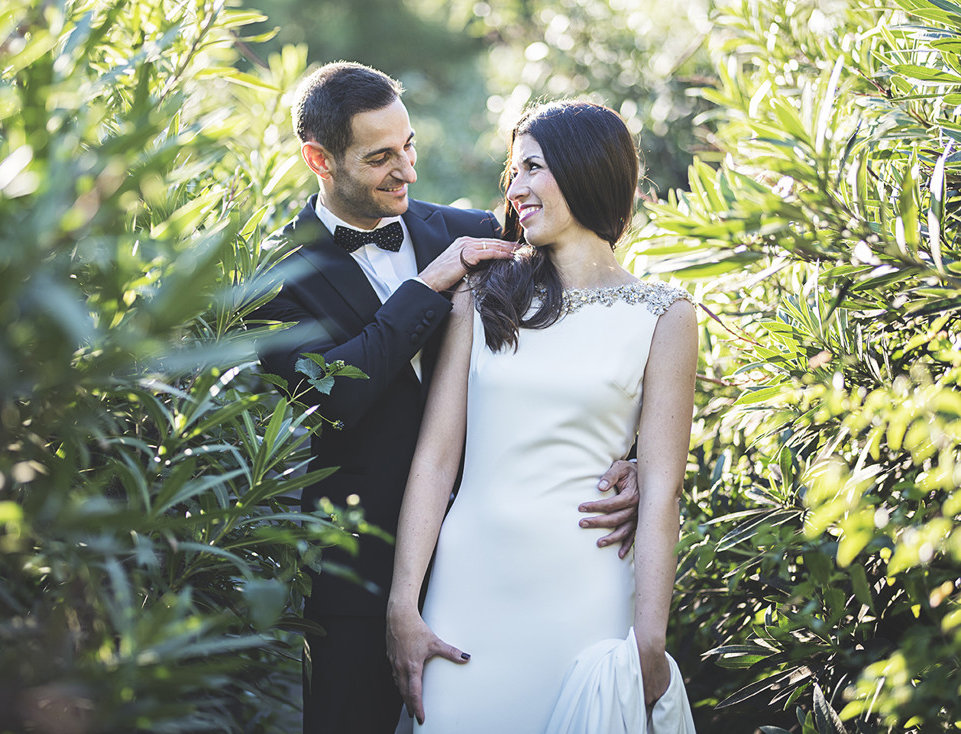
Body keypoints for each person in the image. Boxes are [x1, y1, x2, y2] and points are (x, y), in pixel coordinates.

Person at [253, 64, 643, 734]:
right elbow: (335, 397)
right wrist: (426, 287)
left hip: (497, 556)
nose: (406, 169)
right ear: (319, 160)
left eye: (408, 146)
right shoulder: (272, 277)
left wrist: (629, 457)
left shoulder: (474, 229)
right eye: (379, 157)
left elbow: (578, 339)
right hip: (361, 566)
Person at [386, 100, 698, 732]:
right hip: (466, 587)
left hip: (586, 590)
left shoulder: (666, 315)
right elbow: (437, 457)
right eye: (514, 171)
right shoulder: (482, 294)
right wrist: (403, 605)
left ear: (586, 169)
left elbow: (662, 488)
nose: (515, 188)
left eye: (533, 168)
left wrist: (649, 640)